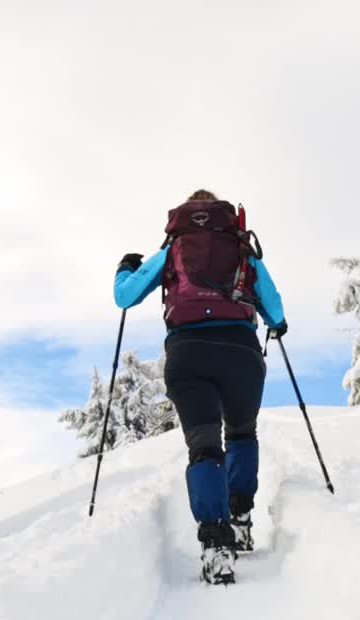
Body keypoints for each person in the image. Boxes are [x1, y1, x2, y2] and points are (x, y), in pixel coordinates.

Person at [113, 189, 287, 585]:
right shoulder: (241, 246)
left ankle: (216, 545)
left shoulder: (173, 249)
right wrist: (274, 323)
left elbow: (125, 296)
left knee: (204, 445)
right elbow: (274, 309)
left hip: (188, 353)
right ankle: (241, 520)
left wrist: (125, 267)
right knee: (242, 432)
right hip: (240, 353)